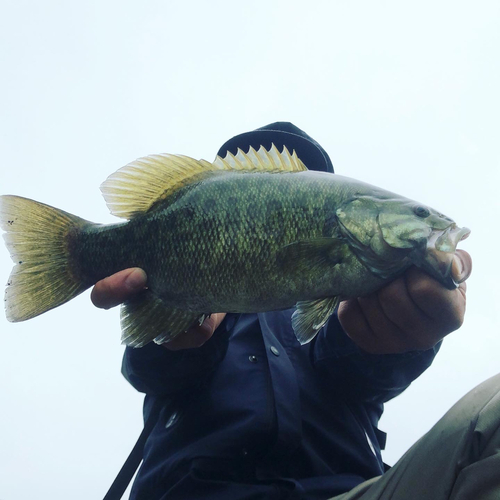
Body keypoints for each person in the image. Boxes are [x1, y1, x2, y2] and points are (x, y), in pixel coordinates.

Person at [92, 123, 498, 500]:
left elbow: (361, 375)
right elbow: (148, 370)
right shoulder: (197, 300)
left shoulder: (353, 301)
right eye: (420, 215)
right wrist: (170, 338)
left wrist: (406, 339)